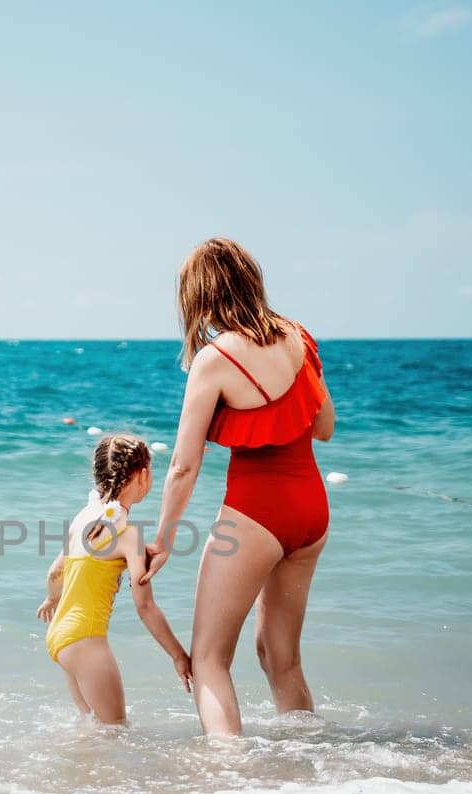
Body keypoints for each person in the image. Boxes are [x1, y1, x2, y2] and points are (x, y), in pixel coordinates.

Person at [139, 238, 335, 736]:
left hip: (256, 512)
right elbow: (325, 427)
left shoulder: (214, 359)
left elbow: (184, 466)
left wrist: (162, 540)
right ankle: (308, 762)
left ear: (199, 295)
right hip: (312, 510)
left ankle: (230, 780)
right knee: (280, 658)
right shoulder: (299, 337)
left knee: (208, 658)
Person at [39, 433, 192, 725]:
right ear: (144, 475)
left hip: (60, 636)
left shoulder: (84, 518)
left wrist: (50, 599)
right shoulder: (128, 534)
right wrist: (178, 654)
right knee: (114, 730)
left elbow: (54, 572)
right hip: (86, 640)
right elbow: (145, 607)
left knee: (91, 726)